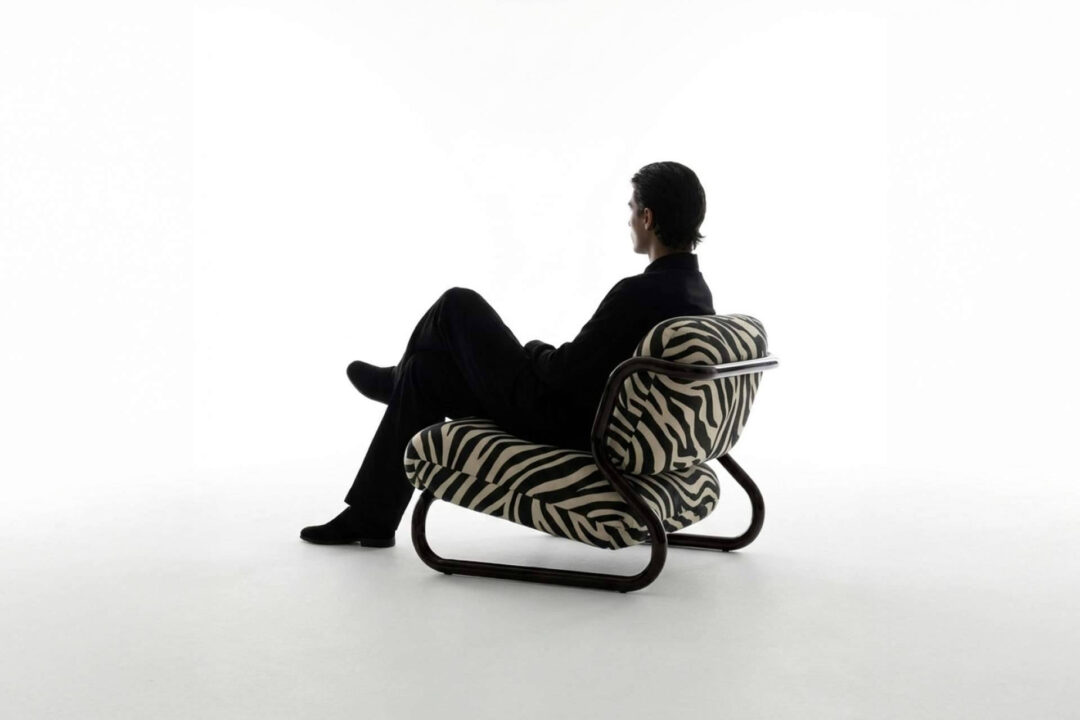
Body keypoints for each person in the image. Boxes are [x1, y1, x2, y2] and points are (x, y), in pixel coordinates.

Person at [300, 161, 716, 546]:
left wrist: (533, 349)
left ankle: (393, 383)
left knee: (457, 304)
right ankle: (371, 517)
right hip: (591, 419)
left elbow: (563, 373)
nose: (629, 220)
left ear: (648, 218)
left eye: (632, 209)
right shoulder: (696, 293)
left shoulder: (637, 294)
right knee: (424, 374)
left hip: (558, 421)